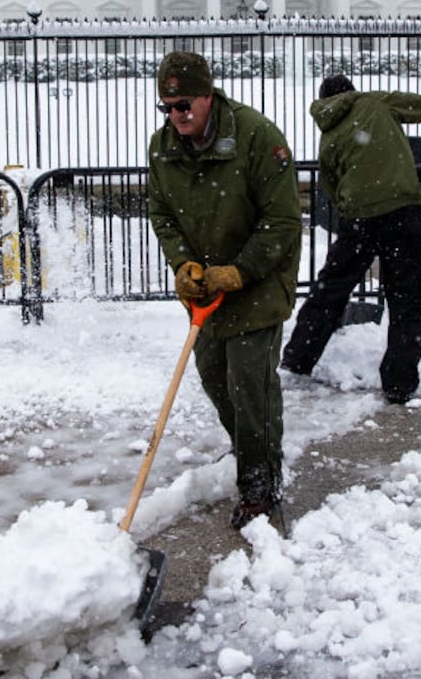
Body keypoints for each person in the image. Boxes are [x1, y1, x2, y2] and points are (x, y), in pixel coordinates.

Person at [147, 50, 302, 529]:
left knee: (249, 384)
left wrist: (240, 270)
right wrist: (182, 264)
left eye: (185, 104)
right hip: (206, 292)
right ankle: (251, 449)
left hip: (258, 284)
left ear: (208, 96)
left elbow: (282, 221)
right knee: (217, 380)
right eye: (168, 107)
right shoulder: (163, 148)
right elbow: (163, 215)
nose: (177, 115)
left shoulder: (256, 137)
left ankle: (260, 486)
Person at [282, 75, 421, 404]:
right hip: (403, 210)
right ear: (351, 91)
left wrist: (357, 207)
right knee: (406, 296)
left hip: (360, 218)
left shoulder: (328, 136)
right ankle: (399, 382)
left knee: (331, 288)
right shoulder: (375, 102)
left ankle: (298, 357)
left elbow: (332, 187)